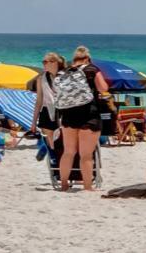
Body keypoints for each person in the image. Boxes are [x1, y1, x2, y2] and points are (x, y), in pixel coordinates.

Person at [46, 46, 109, 193]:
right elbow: (103, 88)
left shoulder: (66, 71)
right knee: (86, 155)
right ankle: (87, 186)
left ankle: (64, 184)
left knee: (68, 152)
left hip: (68, 115)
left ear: (74, 59)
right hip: (89, 115)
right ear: (87, 58)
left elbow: (56, 91)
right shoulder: (92, 69)